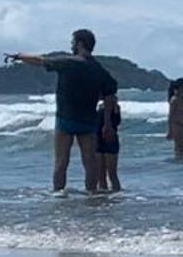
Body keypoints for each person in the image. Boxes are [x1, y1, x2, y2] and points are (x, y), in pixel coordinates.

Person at [7, 30, 113, 191]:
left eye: (73, 42)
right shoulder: (99, 70)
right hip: (88, 122)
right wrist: (107, 123)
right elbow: (109, 96)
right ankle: (92, 197)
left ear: (80, 44)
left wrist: (19, 56)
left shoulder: (69, 62)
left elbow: (41, 61)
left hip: (66, 119)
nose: (71, 45)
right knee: (90, 163)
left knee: (61, 162)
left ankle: (59, 197)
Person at [97, 76, 123, 192]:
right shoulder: (100, 105)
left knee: (111, 173)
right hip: (99, 139)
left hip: (109, 139)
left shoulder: (114, 105)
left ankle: (115, 195)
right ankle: (105, 198)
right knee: (101, 174)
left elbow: (116, 121)